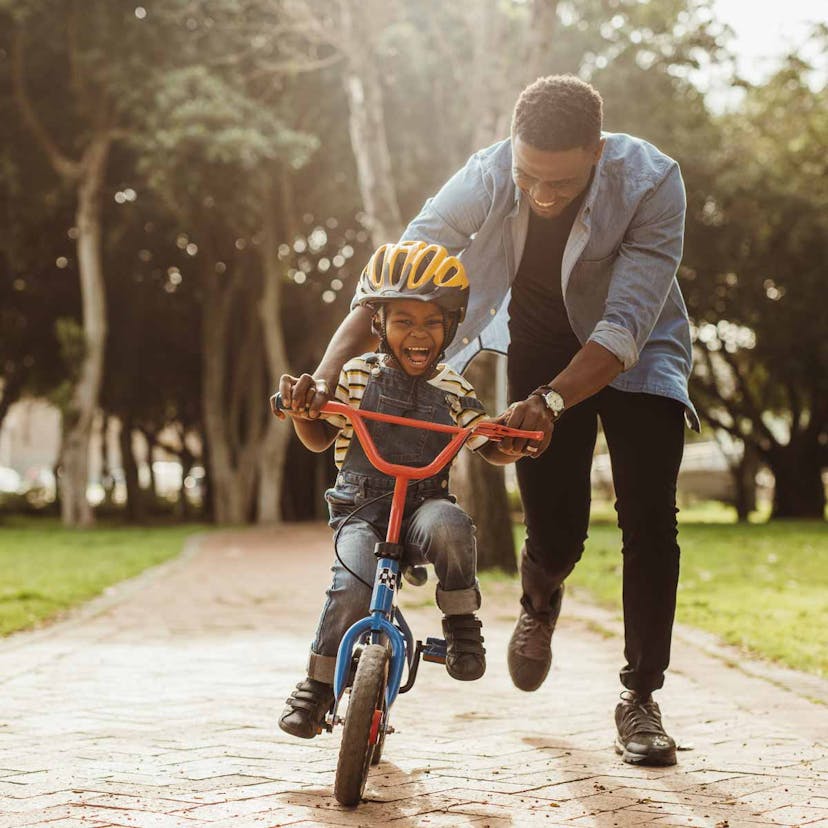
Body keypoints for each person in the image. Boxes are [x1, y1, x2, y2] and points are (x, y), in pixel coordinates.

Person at [298, 75, 699, 766]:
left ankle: (640, 697)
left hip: (637, 353)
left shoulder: (653, 181)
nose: (542, 195)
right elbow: (399, 273)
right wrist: (329, 370)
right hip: (542, 347)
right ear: (511, 152)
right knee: (557, 530)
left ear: (596, 152)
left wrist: (550, 404)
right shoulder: (487, 174)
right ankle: (541, 599)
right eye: (529, 177)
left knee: (650, 520)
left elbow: (626, 323)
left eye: (561, 183)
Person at [277, 241, 533, 740]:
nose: (418, 334)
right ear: (378, 324)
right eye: (403, 321)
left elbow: (486, 443)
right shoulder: (353, 375)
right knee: (351, 587)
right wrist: (303, 413)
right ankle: (317, 687)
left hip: (424, 505)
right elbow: (319, 438)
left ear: (451, 327)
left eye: (432, 322)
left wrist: (514, 444)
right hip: (361, 508)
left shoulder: (454, 388)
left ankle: (461, 625)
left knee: (453, 526)